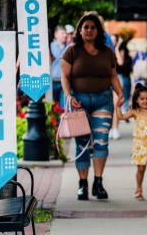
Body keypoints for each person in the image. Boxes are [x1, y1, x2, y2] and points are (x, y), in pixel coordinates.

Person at [61, 12, 125, 201]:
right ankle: (83, 184)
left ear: (98, 31)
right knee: (82, 144)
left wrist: (120, 93)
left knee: (101, 141)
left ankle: (98, 181)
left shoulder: (107, 52)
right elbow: (65, 76)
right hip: (79, 102)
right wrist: (68, 96)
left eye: (93, 27)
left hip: (103, 100)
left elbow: (113, 76)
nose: (89, 30)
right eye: (86, 27)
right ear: (80, 30)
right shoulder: (71, 51)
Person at [109, 34, 132, 140]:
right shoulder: (104, 50)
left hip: (117, 78)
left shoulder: (120, 51)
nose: (113, 42)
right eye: (111, 40)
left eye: (115, 40)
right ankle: (110, 128)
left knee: (115, 104)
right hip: (106, 78)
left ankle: (115, 128)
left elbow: (120, 62)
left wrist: (116, 49)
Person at [50, 25, 68, 108]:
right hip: (52, 81)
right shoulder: (50, 47)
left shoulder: (68, 47)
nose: (65, 35)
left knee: (63, 106)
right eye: (62, 33)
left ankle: (60, 121)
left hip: (63, 81)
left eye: (65, 33)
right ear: (56, 34)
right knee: (51, 106)